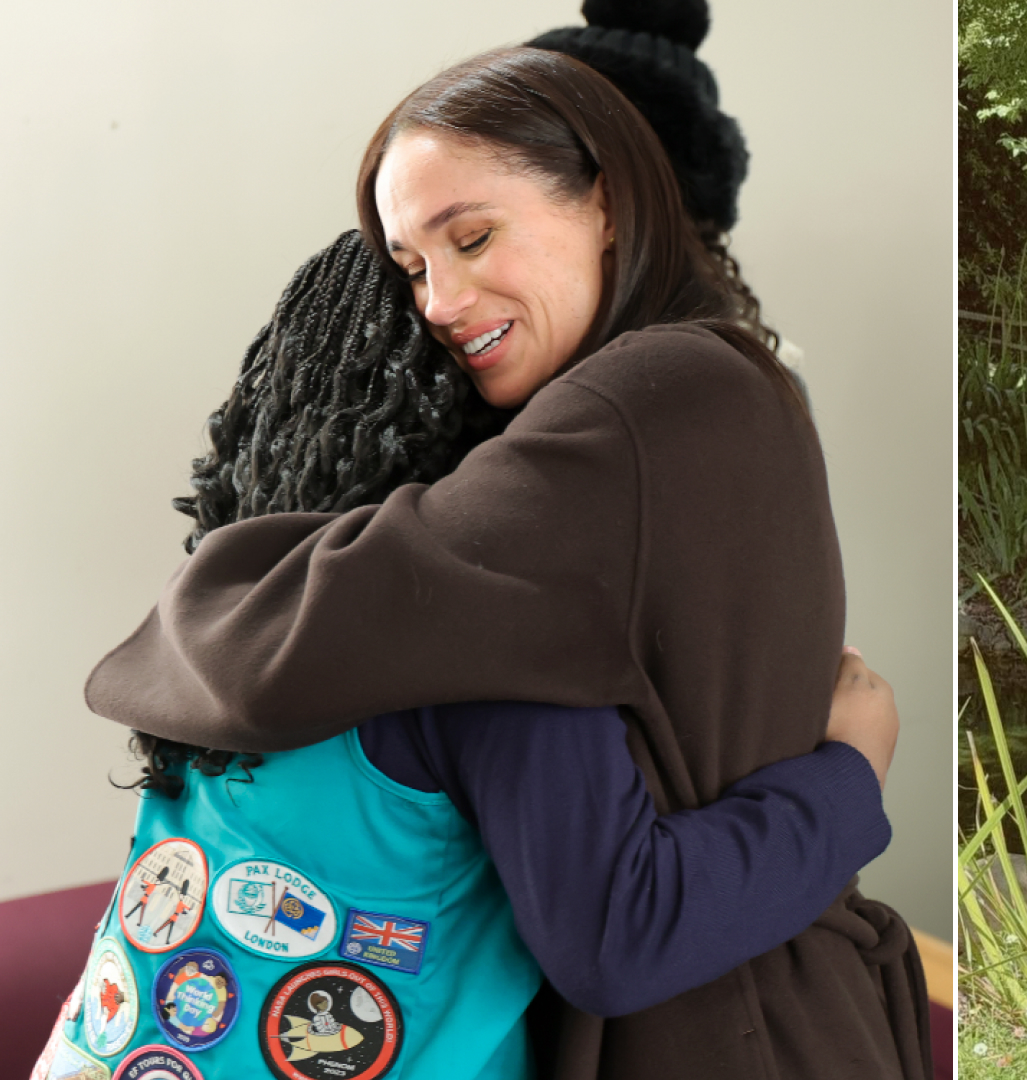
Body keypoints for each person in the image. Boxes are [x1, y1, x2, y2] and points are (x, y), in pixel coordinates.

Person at [84, 41, 929, 1080]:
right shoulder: (522, 588)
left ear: (607, 199)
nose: (439, 302)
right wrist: (850, 777)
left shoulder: (662, 393)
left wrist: (212, 580)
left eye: (474, 237)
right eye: (414, 271)